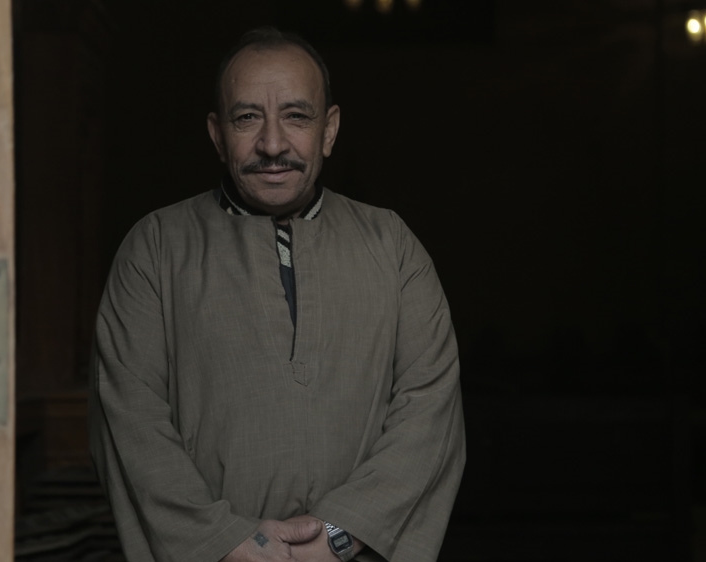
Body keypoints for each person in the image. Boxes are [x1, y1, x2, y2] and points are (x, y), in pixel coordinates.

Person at [88, 26, 465, 562]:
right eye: (247, 118)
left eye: (296, 115)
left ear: (329, 130)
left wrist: (341, 533)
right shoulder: (156, 247)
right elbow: (129, 416)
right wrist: (224, 542)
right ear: (217, 135)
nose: (271, 144)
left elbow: (430, 407)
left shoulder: (392, 245)